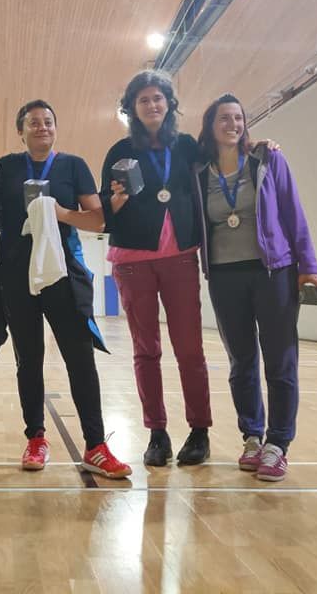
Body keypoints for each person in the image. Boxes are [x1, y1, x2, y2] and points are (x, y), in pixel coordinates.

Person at [0, 100, 131, 478]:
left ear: (55, 127)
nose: (42, 127)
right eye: (33, 122)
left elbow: (98, 221)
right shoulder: (5, 167)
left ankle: (96, 446)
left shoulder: (73, 166)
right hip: (16, 276)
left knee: (80, 358)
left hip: (64, 274)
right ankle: (35, 438)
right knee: (28, 359)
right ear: (20, 131)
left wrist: (60, 213)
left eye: (48, 121)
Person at [195, 94, 317, 482]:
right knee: (241, 362)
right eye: (224, 118)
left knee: (280, 360)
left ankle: (278, 444)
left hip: (275, 273)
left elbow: (294, 214)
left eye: (238, 117)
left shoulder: (268, 159)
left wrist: (309, 268)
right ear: (210, 126)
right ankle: (252, 437)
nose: (232, 124)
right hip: (224, 277)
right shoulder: (199, 172)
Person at [99, 70, 212, 468]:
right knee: (146, 350)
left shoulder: (186, 146)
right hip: (133, 262)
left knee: (190, 350)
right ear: (132, 108)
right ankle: (156, 432)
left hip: (180, 258)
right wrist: (115, 200)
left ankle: (199, 430)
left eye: (158, 98)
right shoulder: (119, 151)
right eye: (143, 99)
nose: (151, 105)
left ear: (169, 104)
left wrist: (259, 145)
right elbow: (106, 209)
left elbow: (224, 159)